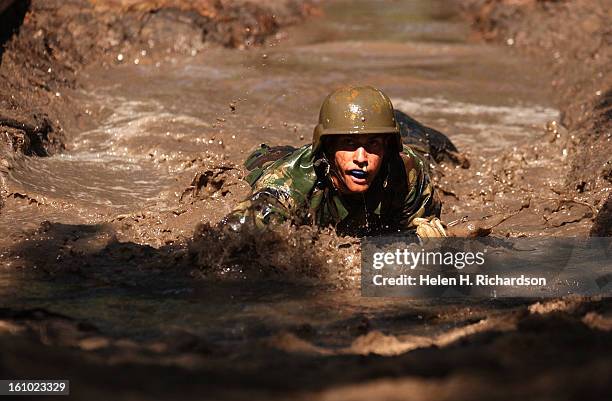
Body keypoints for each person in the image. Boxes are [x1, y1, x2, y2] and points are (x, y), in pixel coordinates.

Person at [224, 86, 447, 238]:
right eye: (349, 143)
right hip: (273, 160)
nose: (361, 158)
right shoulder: (291, 184)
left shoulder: (406, 170)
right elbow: (229, 238)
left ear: (387, 148)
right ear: (328, 147)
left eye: (374, 144)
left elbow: (416, 231)